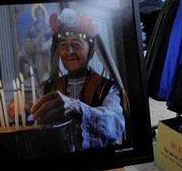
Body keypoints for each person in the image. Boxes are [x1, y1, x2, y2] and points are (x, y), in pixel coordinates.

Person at [30, 9, 128, 150]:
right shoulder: (48, 87)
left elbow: (114, 122)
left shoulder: (106, 88)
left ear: (91, 51)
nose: (69, 52)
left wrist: (76, 108)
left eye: (76, 44)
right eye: (63, 45)